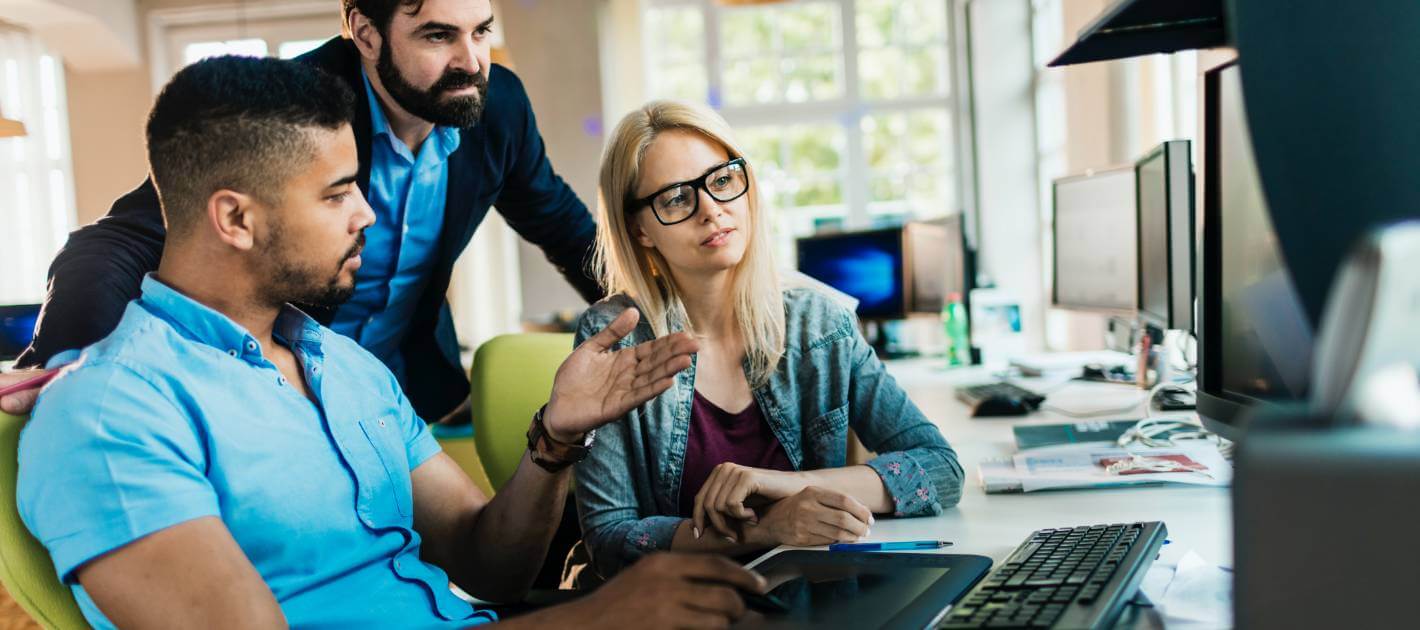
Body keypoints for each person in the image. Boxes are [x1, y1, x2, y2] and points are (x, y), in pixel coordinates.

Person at [16, 56, 765, 629]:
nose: (369, 216)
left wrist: (555, 442)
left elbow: (487, 565)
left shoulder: (345, 367)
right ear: (236, 220)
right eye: (338, 193)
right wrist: (593, 618)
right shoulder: (110, 415)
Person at [1, 0, 597, 424]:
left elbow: (561, 224)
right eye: (439, 37)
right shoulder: (290, 106)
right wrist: (71, 366)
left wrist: (663, 310)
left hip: (400, 391)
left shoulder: (498, 106)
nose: (472, 62)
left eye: (481, 31)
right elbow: (117, 241)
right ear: (364, 32)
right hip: (269, 391)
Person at [572, 100, 965, 580]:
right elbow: (609, 540)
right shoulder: (615, 336)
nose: (711, 210)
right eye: (676, 198)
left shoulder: (820, 323)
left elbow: (941, 470)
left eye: (721, 180)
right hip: (678, 608)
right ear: (640, 229)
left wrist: (784, 486)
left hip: (814, 597)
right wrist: (763, 529)